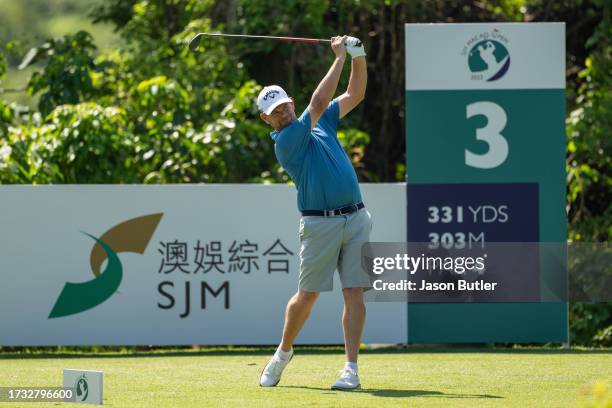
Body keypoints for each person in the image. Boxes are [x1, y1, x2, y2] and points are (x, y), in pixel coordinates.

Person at [257, 35, 371, 390]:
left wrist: (358, 56)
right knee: (307, 296)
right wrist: (338, 56)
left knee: (354, 293)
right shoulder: (287, 141)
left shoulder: (320, 122)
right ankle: (283, 352)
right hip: (319, 224)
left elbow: (355, 94)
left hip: (355, 218)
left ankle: (350, 369)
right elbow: (319, 100)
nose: (283, 112)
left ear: (290, 101)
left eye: (284, 105)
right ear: (267, 119)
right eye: (275, 111)